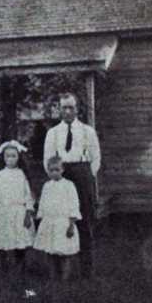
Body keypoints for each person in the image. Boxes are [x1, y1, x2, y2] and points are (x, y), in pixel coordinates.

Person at [43, 92, 100, 278]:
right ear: (59, 109)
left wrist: (87, 176)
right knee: (59, 220)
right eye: (64, 107)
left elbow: (96, 158)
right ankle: (59, 271)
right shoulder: (53, 133)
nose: (67, 111)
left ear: (77, 109)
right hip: (61, 174)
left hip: (82, 174)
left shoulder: (87, 131)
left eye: (71, 107)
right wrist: (56, 179)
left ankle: (87, 271)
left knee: (84, 221)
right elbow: (48, 160)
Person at [0, 140, 36, 274]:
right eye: (7, 156)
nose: (10, 159)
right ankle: (2, 270)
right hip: (2, 212)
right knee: (2, 241)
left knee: (20, 242)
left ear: (19, 157)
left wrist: (28, 212)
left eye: (13, 156)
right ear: (3, 158)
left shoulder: (22, 175)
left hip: (18, 212)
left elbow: (28, 195)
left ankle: (21, 270)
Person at [33, 156, 81, 281]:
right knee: (50, 250)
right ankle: (52, 276)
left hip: (63, 223)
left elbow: (74, 204)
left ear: (62, 170)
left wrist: (71, 224)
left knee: (64, 252)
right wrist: (41, 219)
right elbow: (42, 203)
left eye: (57, 170)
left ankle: (64, 278)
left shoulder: (69, 186)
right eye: (51, 170)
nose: (54, 173)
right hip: (49, 222)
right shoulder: (47, 186)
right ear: (47, 171)